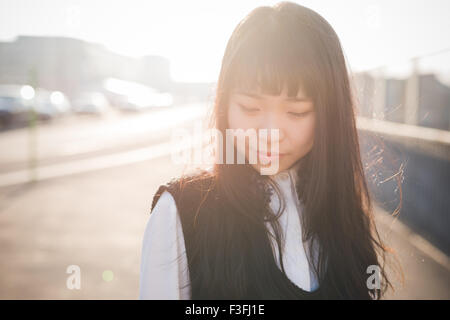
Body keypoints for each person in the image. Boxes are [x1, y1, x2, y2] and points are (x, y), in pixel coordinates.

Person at [139, 1, 397, 300]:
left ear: (330, 116)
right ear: (224, 104)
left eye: (297, 112)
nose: (269, 135)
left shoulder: (344, 212)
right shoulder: (181, 213)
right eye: (250, 108)